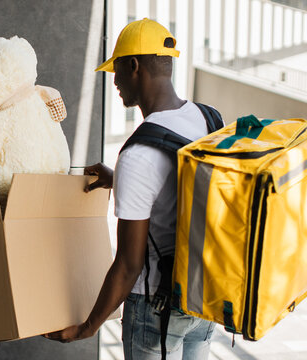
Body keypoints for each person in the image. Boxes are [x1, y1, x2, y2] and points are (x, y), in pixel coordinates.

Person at [44, 18, 216, 360]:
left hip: (156, 307)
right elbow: (179, 187)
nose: (115, 81)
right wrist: (119, 178)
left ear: (133, 65)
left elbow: (128, 264)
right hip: (202, 297)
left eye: (116, 70)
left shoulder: (138, 154)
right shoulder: (206, 118)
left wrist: (86, 328)